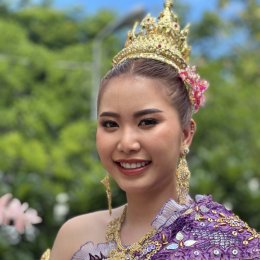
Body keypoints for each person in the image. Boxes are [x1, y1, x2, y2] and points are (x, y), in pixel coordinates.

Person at [42, 0, 260, 259]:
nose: (126, 142)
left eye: (147, 122)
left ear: (186, 134)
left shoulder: (227, 245)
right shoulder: (74, 237)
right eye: (110, 124)